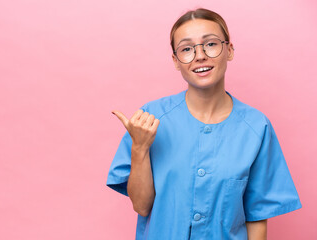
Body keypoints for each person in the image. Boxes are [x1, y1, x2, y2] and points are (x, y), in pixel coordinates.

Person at [106, 7, 302, 240]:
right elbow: (141, 206)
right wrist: (139, 147)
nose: (200, 55)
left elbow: (257, 216)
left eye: (210, 44)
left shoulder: (257, 127)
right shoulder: (150, 119)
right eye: (186, 49)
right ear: (176, 61)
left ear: (229, 50)